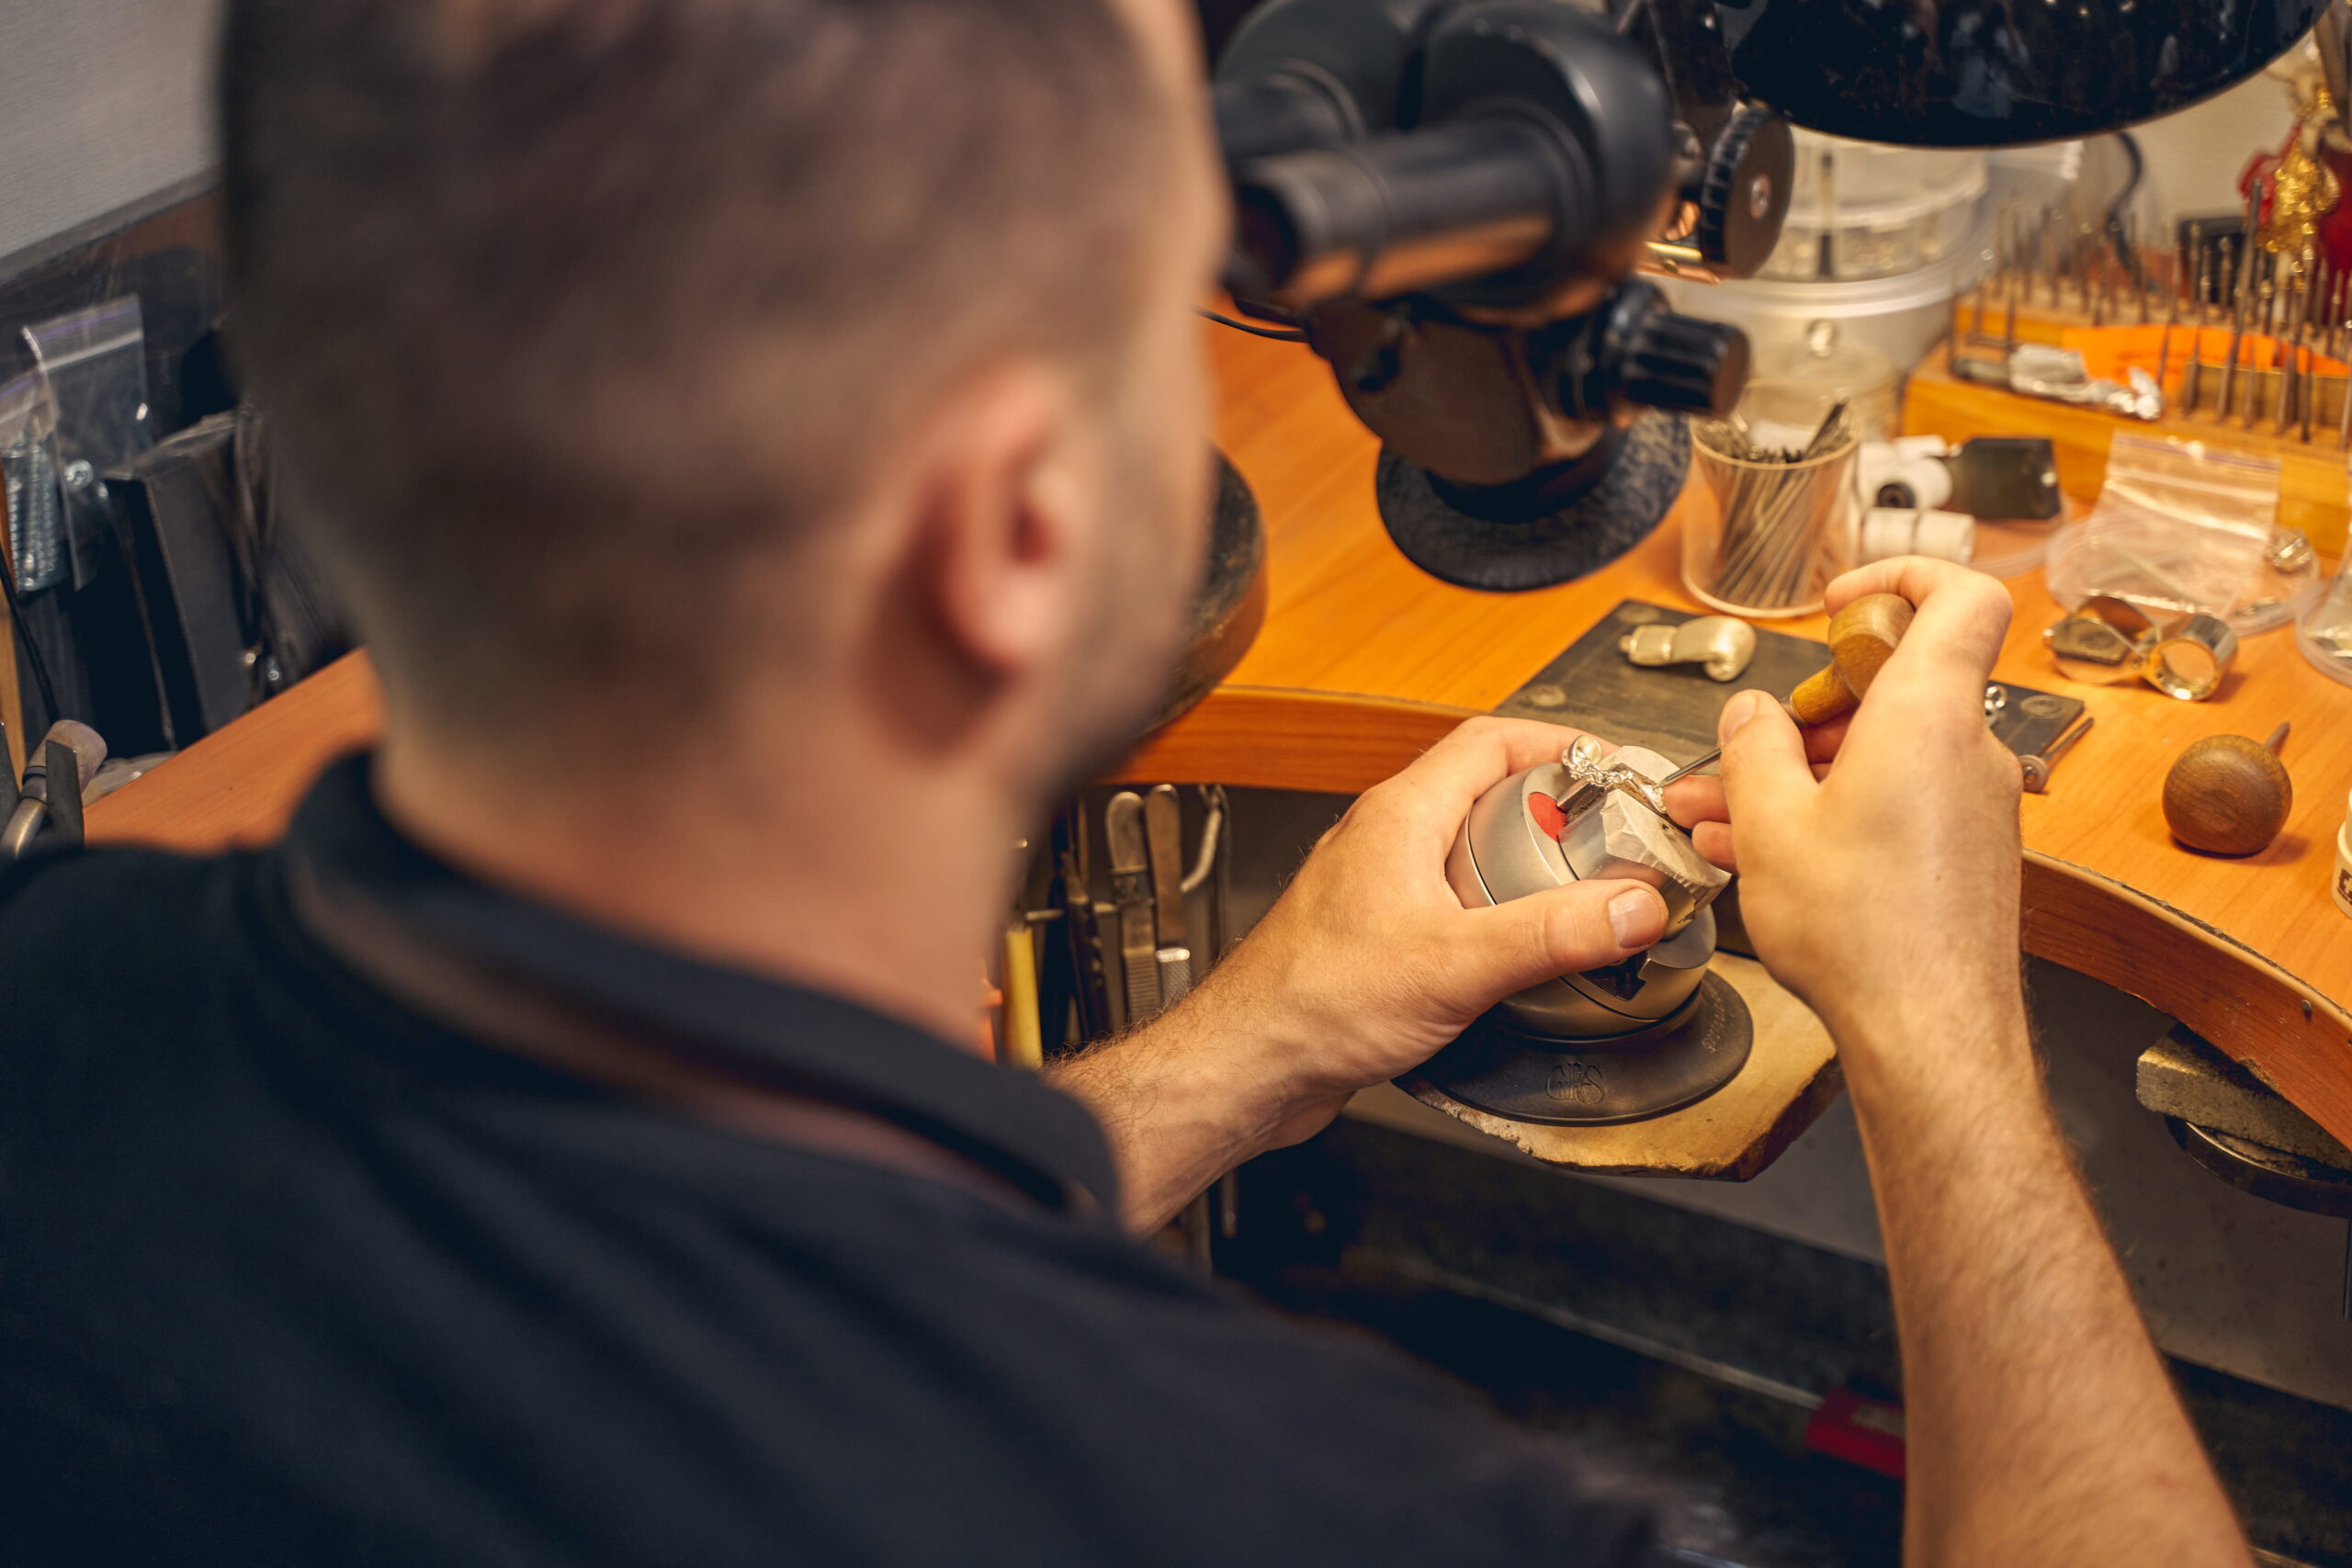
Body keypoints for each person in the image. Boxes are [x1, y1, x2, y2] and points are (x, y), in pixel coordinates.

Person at [0, 0, 2252, 1563]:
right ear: (1006, 539)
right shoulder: (1301, 1514)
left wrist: (1258, 1037)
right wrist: (1944, 1039)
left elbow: (682, 1267)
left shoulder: (56, 1000)